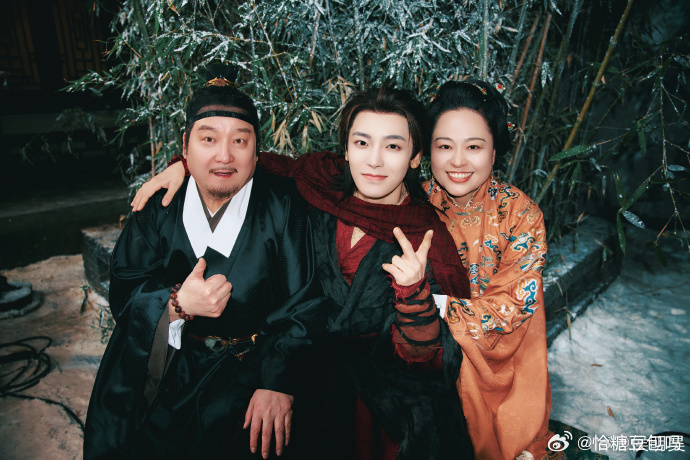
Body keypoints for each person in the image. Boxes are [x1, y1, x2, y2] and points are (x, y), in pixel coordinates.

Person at [132, 85, 475, 460]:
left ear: (415, 156)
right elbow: (248, 162)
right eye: (362, 142)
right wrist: (182, 166)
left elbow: (430, 362)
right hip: (303, 368)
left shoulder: (427, 238)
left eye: (393, 146)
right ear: (346, 149)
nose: (374, 160)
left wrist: (413, 295)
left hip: (384, 399)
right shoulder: (319, 187)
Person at [83, 65, 326, 459]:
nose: (224, 156)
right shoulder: (157, 208)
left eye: (240, 140)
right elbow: (126, 289)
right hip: (170, 370)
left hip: (254, 374)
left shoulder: (285, 206)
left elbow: (305, 304)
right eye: (208, 138)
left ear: (257, 151)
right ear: (185, 146)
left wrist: (278, 382)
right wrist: (176, 304)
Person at [424, 80, 556, 460]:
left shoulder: (521, 214)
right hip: (428, 360)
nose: (458, 161)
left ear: (495, 151)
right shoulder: (413, 204)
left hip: (508, 364)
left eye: (474, 147)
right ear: (427, 150)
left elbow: (514, 305)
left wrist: (432, 305)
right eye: (444, 146)